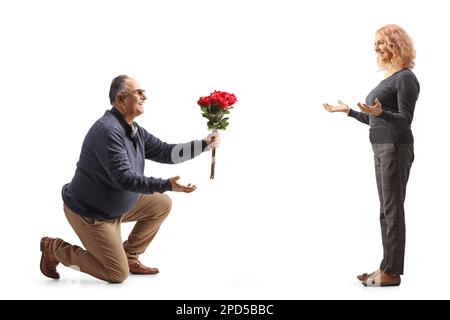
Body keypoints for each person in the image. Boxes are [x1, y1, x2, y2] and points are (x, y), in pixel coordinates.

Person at [40, 75, 220, 283]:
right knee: (116, 274)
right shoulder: (108, 131)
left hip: (116, 207)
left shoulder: (133, 130)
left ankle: (130, 256)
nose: (145, 96)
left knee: (161, 203)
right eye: (139, 92)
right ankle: (54, 249)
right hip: (91, 214)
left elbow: (167, 152)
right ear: (121, 99)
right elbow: (124, 179)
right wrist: (166, 184)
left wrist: (204, 144)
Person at [323, 25, 419, 287]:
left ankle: (393, 272)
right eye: (374, 43)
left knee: (392, 209)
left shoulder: (405, 79)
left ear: (394, 43)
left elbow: (404, 120)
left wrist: (380, 114)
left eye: (380, 42)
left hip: (395, 147)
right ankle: (386, 267)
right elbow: (377, 119)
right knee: (385, 210)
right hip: (381, 146)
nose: (375, 48)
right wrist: (349, 112)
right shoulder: (388, 78)